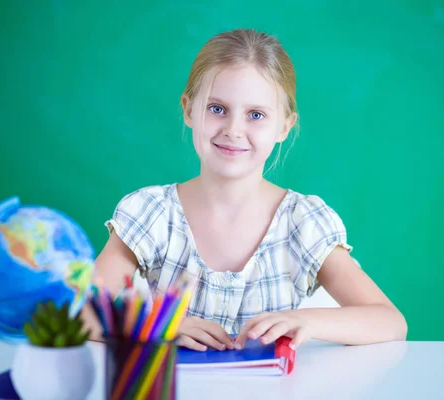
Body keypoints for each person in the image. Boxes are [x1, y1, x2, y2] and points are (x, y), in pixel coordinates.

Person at [84, 28, 407, 351]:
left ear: (284, 126)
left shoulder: (302, 222)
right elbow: (81, 313)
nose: (233, 130)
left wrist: (308, 321)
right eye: (217, 109)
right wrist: (158, 328)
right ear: (188, 110)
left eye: (256, 115)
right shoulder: (152, 212)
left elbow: (389, 321)